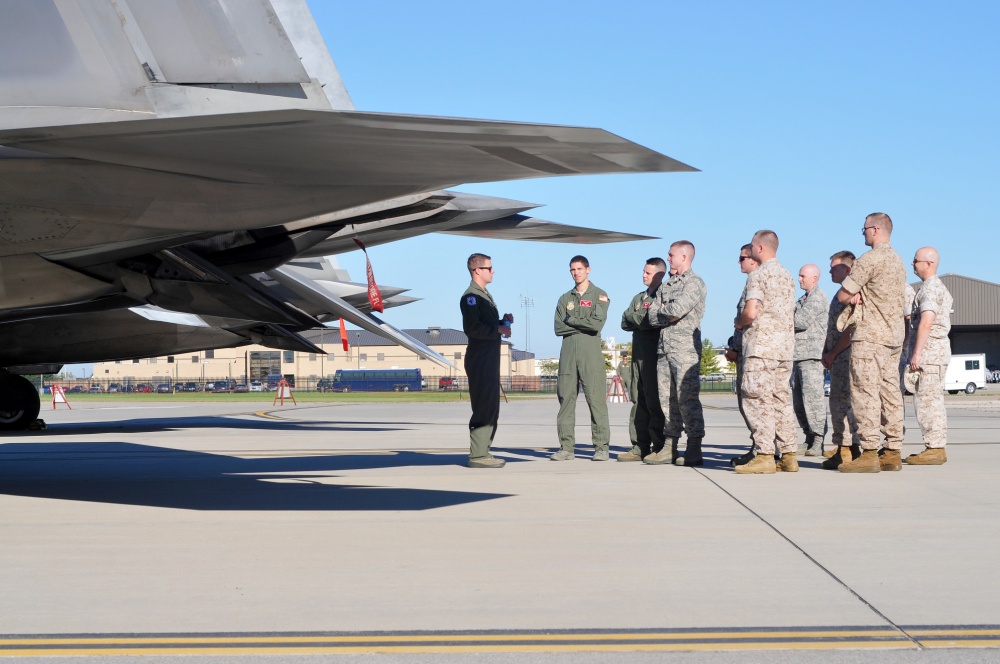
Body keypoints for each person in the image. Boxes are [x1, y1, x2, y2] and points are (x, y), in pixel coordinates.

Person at [835, 212, 907, 473]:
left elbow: (844, 293)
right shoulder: (898, 261)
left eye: (864, 228)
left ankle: (868, 452)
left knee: (865, 393)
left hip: (870, 335)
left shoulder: (871, 258)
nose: (863, 233)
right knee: (890, 394)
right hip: (893, 336)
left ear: (875, 230)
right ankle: (893, 450)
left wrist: (852, 296)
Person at [733, 230, 798, 474]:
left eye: (751, 247)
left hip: (761, 347)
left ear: (760, 248)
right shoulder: (786, 275)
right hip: (783, 349)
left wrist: (740, 322)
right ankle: (789, 454)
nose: (748, 252)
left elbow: (751, 311)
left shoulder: (759, 275)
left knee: (757, 400)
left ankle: (764, 454)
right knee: (781, 399)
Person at [644, 241, 707, 466]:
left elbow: (678, 310)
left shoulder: (694, 283)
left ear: (684, 256)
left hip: (685, 351)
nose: (668, 258)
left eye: (671, 255)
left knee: (686, 399)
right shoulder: (667, 285)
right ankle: (670, 446)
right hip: (664, 349)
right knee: (666, 400)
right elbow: (651, 315)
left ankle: (694, 445)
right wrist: (665, 313)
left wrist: (664, 312)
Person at [552, 255, 611, 461]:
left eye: (579, 269)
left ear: (588, 270)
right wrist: (581, 321)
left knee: (596, 401)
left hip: (590, 354)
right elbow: (558, 327)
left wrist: (573, 319)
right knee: (566, 401)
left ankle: (601, 447)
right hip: (568, 354)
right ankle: (566, 448)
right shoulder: (564, 298)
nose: (576, 272)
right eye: (572, 269)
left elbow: (596, 324)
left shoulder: (599, 295)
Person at [460, 253, 513, 468]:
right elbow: (472, 328)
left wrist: (502, 322)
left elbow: (484, 326)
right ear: (477, 271)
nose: (493, 271)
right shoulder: (471, 297)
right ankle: (478, 455)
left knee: (491, 406)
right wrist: (498, 328)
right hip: (480, 359)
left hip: (488, 358)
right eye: (489, 268)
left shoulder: (484, 295)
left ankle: (484, 451)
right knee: (483, 406)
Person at [903, 247, 952, 465]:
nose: (912, 264)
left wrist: (916, 353)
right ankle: (933, 446)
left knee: (928, 402)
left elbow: (926, 321)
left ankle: (935, 447)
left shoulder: (931, 288)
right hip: (933, 353)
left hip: (930, 354)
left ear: (929, 264)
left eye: (916, 261)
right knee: (928, 400)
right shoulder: (931, 287)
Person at [617, 258, 667, 461]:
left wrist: (637, 318)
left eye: (648, 272)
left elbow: (650, 321)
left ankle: (659, 445)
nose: (643, 275)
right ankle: (639, 445)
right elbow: (624, 320)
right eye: (644, 272)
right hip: (637, 355)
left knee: (654, 401)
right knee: (638, 400)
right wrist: (639, 318)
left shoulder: (663, 296)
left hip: (653, 356)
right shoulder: (638, 298)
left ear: (659, 275)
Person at [821, 251, 861, 470]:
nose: (830, 271)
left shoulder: (854, 294)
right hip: (837, 356)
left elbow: (851, 329)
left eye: (833, 267)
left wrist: (833, 352)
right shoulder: (842, 293)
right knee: (842, 403)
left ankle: (845, 449)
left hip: (846, 357)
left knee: (841, 404)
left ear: (847, 270)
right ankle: (849, 448)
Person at [726, 244, 760, 467]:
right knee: (747, 403)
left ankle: (762, 450)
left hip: (753, 352)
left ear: (753, 259)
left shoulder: (757, 282)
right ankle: (758, 447)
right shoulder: (751, 283)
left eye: (742, 258)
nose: (739, 262)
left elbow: (748, 319)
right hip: (745, 351)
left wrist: (736, 346)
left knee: (753, 403)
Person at [792, 264, 829, 456]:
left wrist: (780, 316)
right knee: (799, 401)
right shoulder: (802, 299)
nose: (799, 279)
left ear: (814, 278)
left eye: (802, 276)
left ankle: (818, 439)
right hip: (798, 356)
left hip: (812, 357)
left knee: (812, 400)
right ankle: (808, 436)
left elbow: (800, 321)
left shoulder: (817, 298)